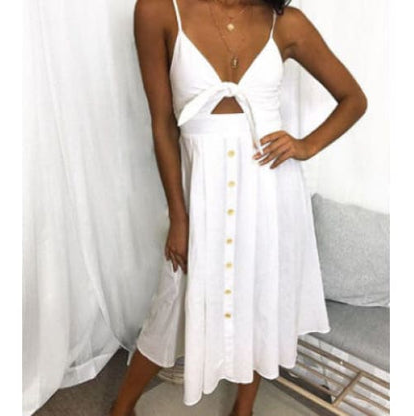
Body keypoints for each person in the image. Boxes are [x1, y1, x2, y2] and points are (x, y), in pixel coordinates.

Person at [110, 0, 367, 415]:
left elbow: (354, 99)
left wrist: (305, 145)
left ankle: (242, 410)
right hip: (201, 195)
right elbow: (162, 125)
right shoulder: (158, 11)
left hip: (270, 193)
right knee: (173, 303)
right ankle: (121, 408)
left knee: (261, 297)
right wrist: (179, 216)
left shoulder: (286, 23)